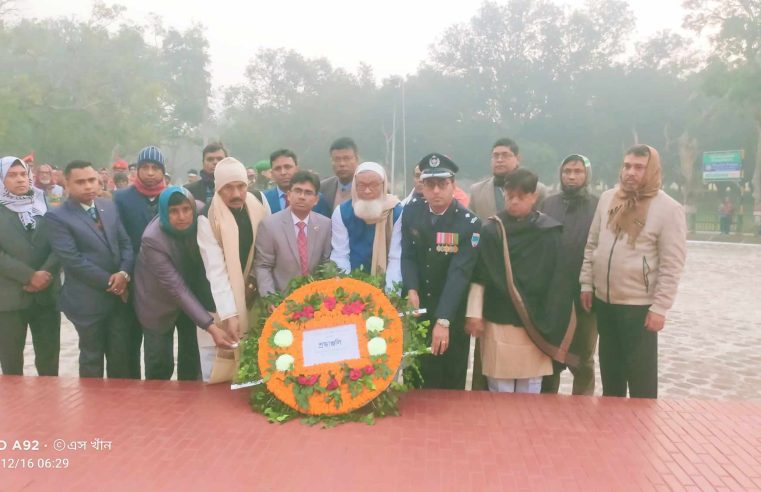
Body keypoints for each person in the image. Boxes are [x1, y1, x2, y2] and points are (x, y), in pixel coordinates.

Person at [580, 144, 687, 399]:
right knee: (611, 374)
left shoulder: (668, 209)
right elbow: (592, 243)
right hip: (605, 301)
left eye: (639, 167)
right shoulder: (608, 199)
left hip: (639, 306)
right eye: (627, 166)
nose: (631, 172)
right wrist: (586, 284)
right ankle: (611, 430)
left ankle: (640, 434)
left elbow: (672, 264)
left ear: (651, 170)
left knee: (641, 380)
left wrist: (660, 308)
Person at [465, 169, 577, 394]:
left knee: (531, 388)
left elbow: (559, 281)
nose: (514, 201)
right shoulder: (492, 230)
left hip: (536, 323)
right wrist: (474, 313)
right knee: (500, 387)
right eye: (510, 196)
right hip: (499, 320)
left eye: (521, 196)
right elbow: (479, 276)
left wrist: (555, 316)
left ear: (534, 196)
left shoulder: (550, 232)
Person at [135, 187, 238, 380]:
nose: (182, 216)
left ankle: (189, 407)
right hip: (157, 303)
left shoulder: (201, 215)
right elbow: (176, 287)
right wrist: (212, 327)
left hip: (192, 301)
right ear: (164, 212)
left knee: (192, 361)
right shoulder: (152, 239)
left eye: (185, 209)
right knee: (159, 362)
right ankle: (157, 406)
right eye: (173, 211)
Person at [47, 160, 134, 378]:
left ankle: (118, 407)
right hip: (87, 301)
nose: (88, 186)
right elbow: (73, 260)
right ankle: (92, 409)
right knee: (91, 358)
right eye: (81, 182)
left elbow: (125, 244)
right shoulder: (58, 217)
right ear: (66, 183)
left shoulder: (108, 206)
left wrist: (123, 274)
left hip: (118, 300)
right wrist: (113, 283)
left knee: (120, 358)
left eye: (92, 180)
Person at [401, 153, 481, 389]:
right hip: (418, 308)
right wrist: (411, 288)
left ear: (453, 185)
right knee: (415, 376)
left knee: (449, 379)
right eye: (430, 185)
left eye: (442, 184)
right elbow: (408, 255)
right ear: (422, 186)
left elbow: (460, 274)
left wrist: (443, 320)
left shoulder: (468, 223)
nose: (436, 191)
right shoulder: (412, 212)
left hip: (451, 309)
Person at [540, 155, 599, 396]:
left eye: (577, 171)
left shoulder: (598, 206)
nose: (571, 176)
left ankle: (583, 406)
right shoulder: (547, 204)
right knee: (549, 352)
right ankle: (545, 404)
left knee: (583, 355)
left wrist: (590, 284)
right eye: (567, 171)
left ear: (587, 175)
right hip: (552, 293)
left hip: (584, 293)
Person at [197, 157, 269, 345]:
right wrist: (230, 314)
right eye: (228, 187)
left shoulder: (260, 202)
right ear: (218, 188)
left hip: (259, 291)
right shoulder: (208, 218)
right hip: (223, 299)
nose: (236, 193)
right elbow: (216, 270)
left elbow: (268, 248)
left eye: (241, 186)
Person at [0, 157, 61, 376]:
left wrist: (46, 273)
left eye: (23, 174)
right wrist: (29, 276)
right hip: (9, 297)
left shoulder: (43, 202)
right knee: (11, 363)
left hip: (47, 293)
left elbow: (60, 242)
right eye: (12, 175)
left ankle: (49, 408)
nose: (19, 179)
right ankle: (16, 410)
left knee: (49, 360)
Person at [254, 171, 332, 296]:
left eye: (308, 192)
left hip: (317, 298)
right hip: (281, 299)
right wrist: (270, 298)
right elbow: (263, 266)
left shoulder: (325, 224)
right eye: (297, 191)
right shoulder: (269, 225)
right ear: (289, 195)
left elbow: (326, 262)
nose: (302, 196)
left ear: (316, 199)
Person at [331, 162, 402, 291]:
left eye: (373, 185)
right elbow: (340, 255)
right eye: (362, 185)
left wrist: (391, 294)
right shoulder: (342, 212)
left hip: (386, 283)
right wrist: (345, 291)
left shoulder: (396, 212)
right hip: (351, 283)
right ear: (354, 186)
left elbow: (396, 258)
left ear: (383, 185)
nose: (367, 190)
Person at [470, 138, 546, 219]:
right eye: (495, 156)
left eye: (505, 155)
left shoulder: (537, 189)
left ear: (518, 159)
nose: (499, 160)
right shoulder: (477, 191)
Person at [263, 149, 329, 216]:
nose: (283, 172)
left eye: (287, 167)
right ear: (272, 173)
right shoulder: (264, 199)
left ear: (297, 169)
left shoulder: (317, 199)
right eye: (277, 168)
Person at [321, 137, 359, 211]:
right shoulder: (323, 188)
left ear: (356, 159)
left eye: (346, 158)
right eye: (337, 159)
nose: (342, 164)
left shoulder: (369, 188)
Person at [185, 142, 227, 206]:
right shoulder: (188, 191)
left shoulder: (238, 189)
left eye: (219, 159)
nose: (215, 162)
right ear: (203, 163)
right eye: (210, 159)